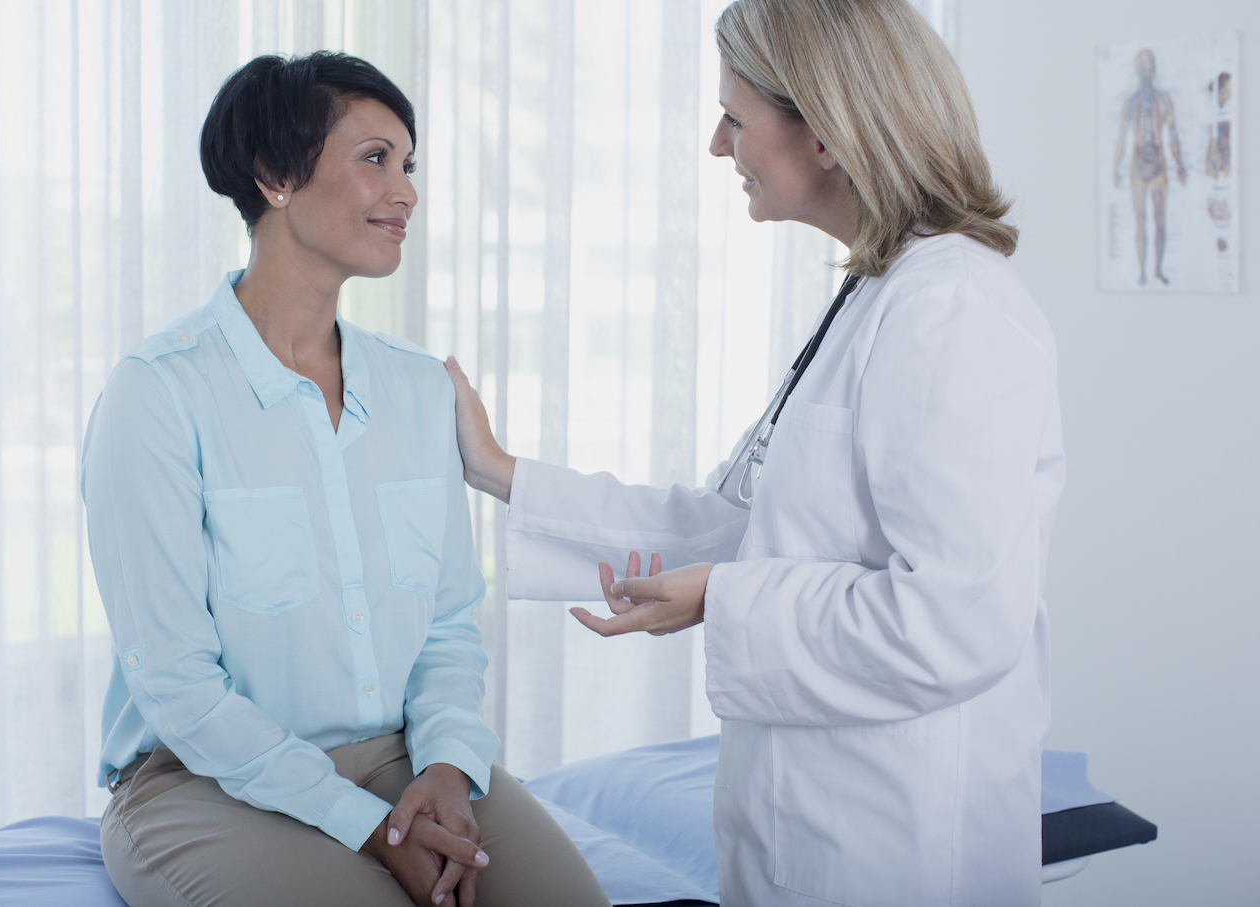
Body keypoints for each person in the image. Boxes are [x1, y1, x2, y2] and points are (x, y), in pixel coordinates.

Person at [447, 2, 1063, 905]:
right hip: (809, 827)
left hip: (903, 844)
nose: (715, 145)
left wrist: (724, 597)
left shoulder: (952, 310)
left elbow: (953, 619)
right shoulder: (873, 293)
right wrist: (496, 469)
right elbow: (734, 520)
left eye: (735, 117)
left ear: (824, 133)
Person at [82, 52, 609, 907]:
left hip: (403, 753)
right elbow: (178, 681)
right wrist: (362, 823)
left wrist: (444, 767)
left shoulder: (414, 388)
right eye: (375, 160)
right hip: (198, 777)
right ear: (275, 176)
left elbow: (444, 625)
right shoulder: (158, 393)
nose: (404, 191)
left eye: (408, 165)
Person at [1113, 48, 1187, 285]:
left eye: (1151, 62)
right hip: (1137, 167)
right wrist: (1116, 167)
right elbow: (1122, 138)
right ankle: (1143, 272)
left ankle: (1157, 269)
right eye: (1144, 62)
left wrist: (1180, 164)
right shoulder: (1131, 102)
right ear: (1138, 68)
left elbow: (1173, 134)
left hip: (1158, 166)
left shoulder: (1163, 99)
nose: (1149, 66)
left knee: (1160, 220)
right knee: (1141, 222)